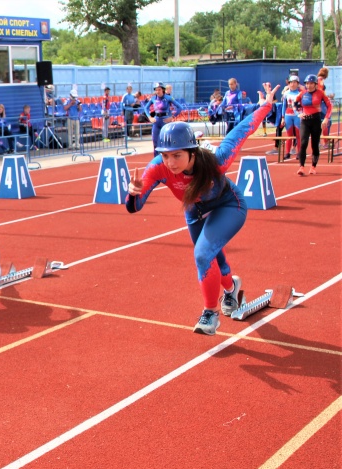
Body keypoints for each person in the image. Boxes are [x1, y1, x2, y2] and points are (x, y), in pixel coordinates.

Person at [126, 82, 280, 336]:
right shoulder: (157, 168)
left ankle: (210, 313)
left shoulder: (215, 162)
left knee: (202, 254)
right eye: (165, 155)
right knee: (211, 258)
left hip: (229, 205)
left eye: (177, 155)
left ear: (192, 153)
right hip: (195, 211)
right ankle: (231, 289)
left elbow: (241, 131)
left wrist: (265, 107)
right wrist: (132, 194)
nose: (170, 162)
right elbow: (135, 207)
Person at [293, 74, 333, 175]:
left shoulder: (320, 93)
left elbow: (329, 106)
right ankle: (301, 167)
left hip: (316, 121)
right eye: (307, 83)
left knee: (315, 145)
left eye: (311, 83)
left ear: (315, 84)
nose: (309, 85)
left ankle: (313, 166)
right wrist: (298, 113)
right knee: (303, 143)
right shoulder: (302, 93)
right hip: (305, 121)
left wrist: (326, 119)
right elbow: (294, 104)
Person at [144, 82, 184, 157]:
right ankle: (156, 161)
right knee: (155, 143)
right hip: (156, 122)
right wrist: (150, 117)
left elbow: (180, 107)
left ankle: (167, 158)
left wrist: (172, 117)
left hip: (165, 122)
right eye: (156, 90)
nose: (157, 91)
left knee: (166, 142)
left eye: (159, 90)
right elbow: (146, 108)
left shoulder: (168, 98)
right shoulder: (153, 98)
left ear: (163, 90)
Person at [280, 75, 302, 160]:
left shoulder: (300, 93)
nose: (292, 84)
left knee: (298, 135)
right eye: (291, 82)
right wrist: (282, 118)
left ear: (297, 84)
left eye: (294, 82)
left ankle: (299, 153)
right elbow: (283, 106)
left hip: (297, 115)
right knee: (289, 135)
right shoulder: (286, 93)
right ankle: (287, 153)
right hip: (288, 115)